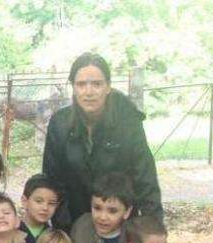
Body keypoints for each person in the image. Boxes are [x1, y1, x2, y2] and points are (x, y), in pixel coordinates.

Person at [43, 52, 162, 231]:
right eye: (81, 84)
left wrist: (153, 233)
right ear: (73, 88)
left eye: (97, 84)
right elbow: (52, 180)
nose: (89, 92)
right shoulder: (59, 124)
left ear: (108, 87)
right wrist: (63, 224)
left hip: (120, 224)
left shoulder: (127, 122)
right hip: (73, 223)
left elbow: (145, 180)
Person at [19, 173, 60, 243]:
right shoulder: (11, 231)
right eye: (39, 201)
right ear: (25, 201)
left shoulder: (55, 237)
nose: (45, 208)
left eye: (51, 203)